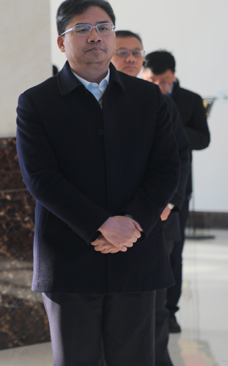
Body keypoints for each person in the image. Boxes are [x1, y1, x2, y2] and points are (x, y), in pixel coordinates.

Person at [16, 0, 180, 365]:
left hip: (136, 255)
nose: (95, 36)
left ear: (113, 36)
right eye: (82, 29)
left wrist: (132, 222)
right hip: (69, 260)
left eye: (104, 27)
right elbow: (41, 178)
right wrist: (102, 225)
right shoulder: (37, 101)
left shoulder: (148, 97)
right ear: (62, 42)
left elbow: (166, 168)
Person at [112, 31, 191, 366]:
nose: (131, 58)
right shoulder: (92, 101)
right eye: (123, 52)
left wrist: (167, 204)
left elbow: (178, 156)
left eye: (136, 52)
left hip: (158, 219)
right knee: (114, 308)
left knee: (154, 305)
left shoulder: (159, 100)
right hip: (108, 225)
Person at [142, 50, 211, 334]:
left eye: (166, 81)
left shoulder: (190, 100)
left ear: (174, 76)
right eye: (153, 80)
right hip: (145, 192)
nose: (160, 86)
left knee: (173, 253)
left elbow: (202, 139)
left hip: (178, 192)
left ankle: (170, 311)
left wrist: (171, 125)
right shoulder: (136, 97)